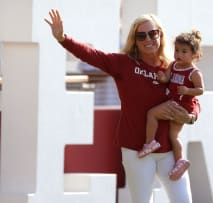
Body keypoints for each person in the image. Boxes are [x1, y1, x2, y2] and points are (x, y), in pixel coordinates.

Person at [45, 9, 196, 203]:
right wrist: (63, 38)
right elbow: (92, 55)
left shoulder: (174, 67)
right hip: (137, 150)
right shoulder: (124, 64)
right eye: (141, 35)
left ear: (161, 34)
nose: (148, 39)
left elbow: (194, 98)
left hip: (169, 151)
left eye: (153, 33)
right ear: (135, 40)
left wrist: (191, 117)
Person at [138, 30, 204, 181]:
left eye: (184, 51)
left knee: (152, 115)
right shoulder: (174, 65)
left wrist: (188, 90)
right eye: (177, 50)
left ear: (195, 54)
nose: (179, 54)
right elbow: (167, 78)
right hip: (172, 103)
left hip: (180, 107)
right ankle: (179, 160)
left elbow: (201, 90)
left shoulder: (194, 73)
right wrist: (162, 78)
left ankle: (150, 143)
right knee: (173, 135)